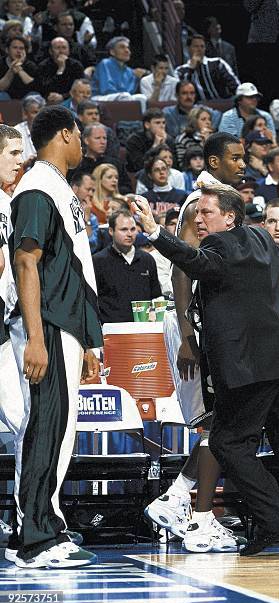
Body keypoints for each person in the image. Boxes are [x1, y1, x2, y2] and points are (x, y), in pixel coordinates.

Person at [133, 183, 279, 556]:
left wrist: (154, 231)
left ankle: (274, 519)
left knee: (227, 443)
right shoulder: (262, 239)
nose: (198, 219)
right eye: (197, 213)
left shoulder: (218, 246)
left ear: (229, 217)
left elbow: (194, 261)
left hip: (246, 368)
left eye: (206, 212)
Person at [6, 104, 101, 568]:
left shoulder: (56, 187)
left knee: (59, 432)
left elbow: (75, 268)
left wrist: (89, 340)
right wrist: (37, 339)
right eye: (80, 134)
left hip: (66, 328)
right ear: (64, 134)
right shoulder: (37, 187)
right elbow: (27, 263)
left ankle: (44, 524)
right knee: (46, 429)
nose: (83, 142)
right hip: (47, 327)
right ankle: (35, 537)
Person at [144, 132, 248, 553]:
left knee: (223, 421)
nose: (243, 163)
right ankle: (198, 518)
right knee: (216, 423)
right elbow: (181, 269)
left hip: (203, 321)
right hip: (190, 321)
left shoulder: (220, 199)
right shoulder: (200, 202)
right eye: (235, 158)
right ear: (213, 161)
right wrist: (188, 335)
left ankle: (175, 500)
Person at [0, 124, 23, 544]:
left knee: (26, 421)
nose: (21, 161)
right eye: (13, 153)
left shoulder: (11, 201)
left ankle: (28, 520)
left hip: (4, 329)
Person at [93, 209, 162, 323]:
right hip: (111, 331)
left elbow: (156, 297)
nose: (129, 234)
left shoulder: (147, 260)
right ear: (111, 231)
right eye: (124, 229)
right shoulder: (98, 261)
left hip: (143, 330)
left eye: (133, 229)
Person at [175, 33, 239, 103]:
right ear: (188, 48)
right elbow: (182, 93)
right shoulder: (180, 71)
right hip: (196, 109)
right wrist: (191, 69)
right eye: (196, 46)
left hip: (222, 104)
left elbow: (235, 85)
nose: (199, 49)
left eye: (202, 46)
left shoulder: (217, 63)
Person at [90, 36, 147, 110]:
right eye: (122, 47)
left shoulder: (130, 71)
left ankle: (141, 121)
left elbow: (131, 92)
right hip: (99, 97)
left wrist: (139, 77)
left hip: (122, 97)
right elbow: (107, 89)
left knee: (142, 98)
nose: (127, 50)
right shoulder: (105, 63)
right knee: (125, 96)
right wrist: (124, 94)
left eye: (128, 48)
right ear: (112, 52)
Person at [75, 123, 131, 194]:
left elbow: (127, 188)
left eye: (104, 138)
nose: (102, 142)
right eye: (97, 138)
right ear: (86, 140)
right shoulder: (78, 164)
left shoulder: (115, 163)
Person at [126, 108, 176, 173]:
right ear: (147, 125)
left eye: (163, 123)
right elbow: (138, 166)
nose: (162, 126)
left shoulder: (169, 140)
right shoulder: (134, 140)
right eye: (157, 123)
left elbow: (175, 166)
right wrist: (155, 147)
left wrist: (164, 146)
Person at [0, 34, 37, 99]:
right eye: (15, 48)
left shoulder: (30, 65)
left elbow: (34, 87)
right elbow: (1, 88)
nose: (18, 51)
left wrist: (19, 69)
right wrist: (11, 70)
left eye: (21, 48)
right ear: (7, 50)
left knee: (34, 95)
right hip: (6, 96)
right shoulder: (1, 63)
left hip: (25, 98)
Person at [14, 93, 44, 162]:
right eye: (35, 112)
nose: (40, 116)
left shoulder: (51, 131)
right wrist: (28, 162)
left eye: (42, 112)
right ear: (25, 113)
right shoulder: (16, 133)